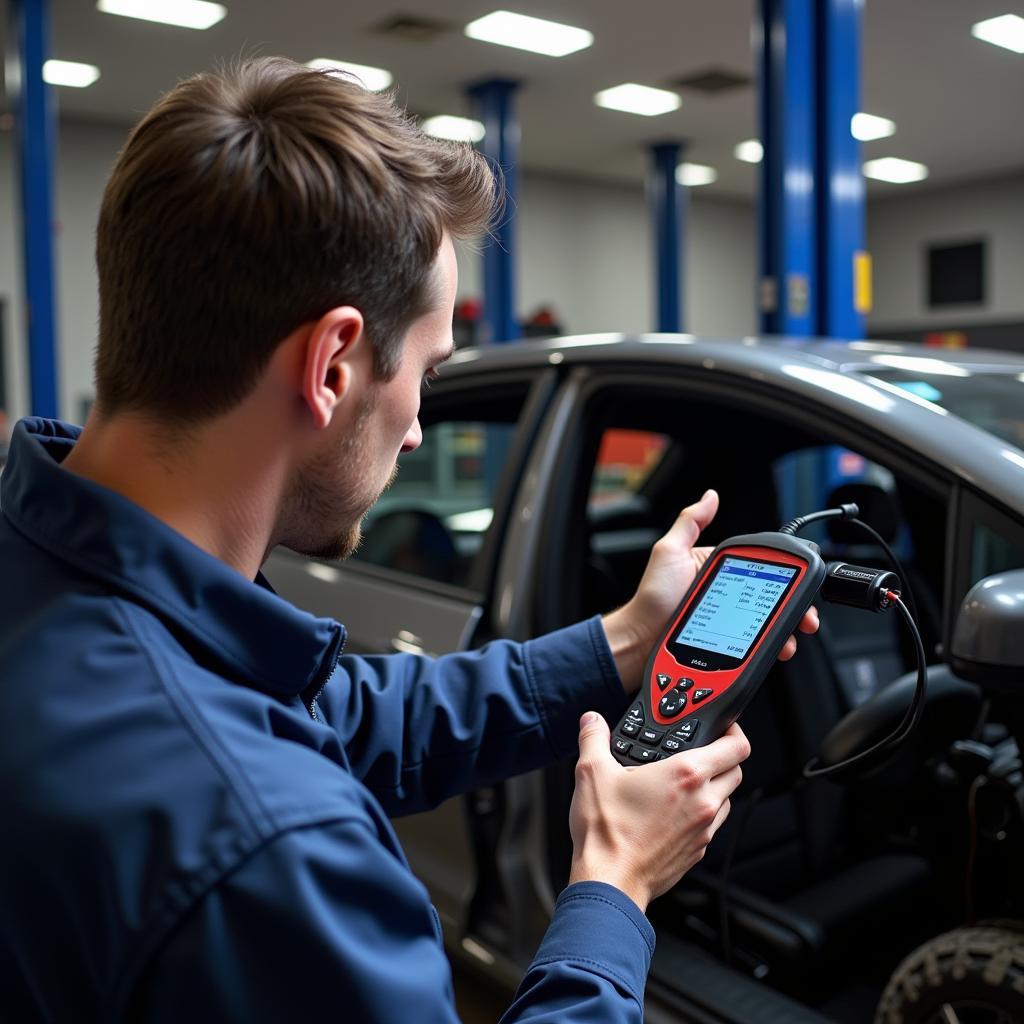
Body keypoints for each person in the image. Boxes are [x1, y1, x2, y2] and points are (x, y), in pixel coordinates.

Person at [0, 57, 816, 1022]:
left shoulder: (60, 583)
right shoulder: (271, 849)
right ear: (334, 364)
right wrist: (614, 885)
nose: (422, 425)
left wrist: (630, 640)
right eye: (427, 373)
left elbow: (344, 717)